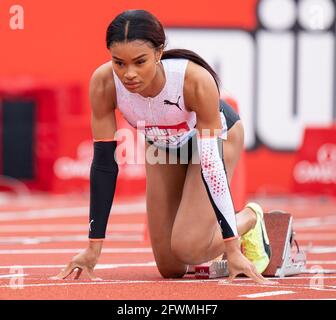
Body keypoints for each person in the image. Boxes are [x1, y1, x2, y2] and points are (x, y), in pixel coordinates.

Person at [53, 9, 272, 284]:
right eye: (119, 63)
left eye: (139, 62)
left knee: (188, 247)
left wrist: (231, 246)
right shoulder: (104, 83)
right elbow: (104, 166)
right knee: (171, 266)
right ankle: (208, 236)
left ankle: (251, 219)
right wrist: (93, 248)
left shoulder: (194, 80)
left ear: (159, 53)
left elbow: (210, 165)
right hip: (162, 147)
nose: (128, 74)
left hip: (215, 141)